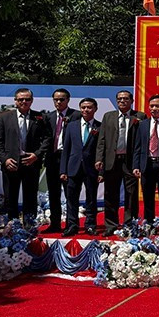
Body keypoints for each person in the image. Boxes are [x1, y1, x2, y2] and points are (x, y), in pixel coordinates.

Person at [0, 88, 50, 223]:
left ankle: (29, 227)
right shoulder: (5, 118)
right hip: (11, 163)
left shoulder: (40, 117)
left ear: (32, 100)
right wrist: (5, 159)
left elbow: (48, 138)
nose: (24, 102)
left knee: (30, 197)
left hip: (31, 163)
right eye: (20, 99)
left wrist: (36, 155)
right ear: (15, 101)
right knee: (10, 197)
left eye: (27, 99)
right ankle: (12, 226)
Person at [95, 90, 146, 236]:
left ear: (132, 101)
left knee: (131, 194)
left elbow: (143, 141)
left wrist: (139, 162)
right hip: (112, 160)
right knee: (110, 194)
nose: (122, 101)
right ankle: (111, 224)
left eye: (125, 99)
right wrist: (99, 159)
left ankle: (130, 225)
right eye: (119, 99)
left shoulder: (140, 116)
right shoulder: (108, 116)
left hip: (130, 161)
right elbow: (102, 140)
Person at [60, 98, 101, 236]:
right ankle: (72, 225)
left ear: (95, 109)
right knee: (71, 198)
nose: (86, 110)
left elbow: (102, 150)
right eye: (83, 107)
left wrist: (101, 171)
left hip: (91, 168)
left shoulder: (100, 127)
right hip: (73, 167)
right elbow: (66, 149)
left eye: (89, 107)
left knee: (91, 198)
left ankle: (90, 225)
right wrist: (63, 170)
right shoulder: (71, 126)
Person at [132, 95, 159, 227]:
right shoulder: (142, 125)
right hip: (147, 164)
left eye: (157, 106)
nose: (154, 108)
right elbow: (138, 147)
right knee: (148, 196)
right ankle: (149, 223)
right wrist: (136, 166)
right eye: (151, 106)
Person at [43, 88, 80, 233]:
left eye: (62, 99)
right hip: (52, 159)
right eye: (56, 99)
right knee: (53, 193)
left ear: (68, 100)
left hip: (69, 159)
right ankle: (55, 224)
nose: (58, 102)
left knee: (70, 193)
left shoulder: (76, 115)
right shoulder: (49, 117)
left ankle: (72, 225)